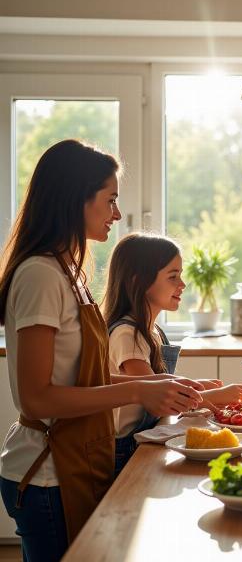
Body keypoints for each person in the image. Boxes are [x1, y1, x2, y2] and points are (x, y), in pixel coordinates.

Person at [0, 140, 203, 562]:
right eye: (109, 200)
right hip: (45, 471)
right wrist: (137, 391)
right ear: (77, 199)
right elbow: (37, 397)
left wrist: (154, 383)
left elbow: (81, 377)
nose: (116, 213)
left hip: (74, 458)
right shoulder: (40, 274)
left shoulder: (68, 271)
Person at [104, 232, 242, 474]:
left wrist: (195, 386)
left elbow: (159, 383)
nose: (182, 285)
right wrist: (217, 395)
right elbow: (158, 400)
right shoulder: (127, 334)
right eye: (173, 277)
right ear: (139, 281)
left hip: (145, 440)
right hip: (126, 450)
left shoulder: (153, 330)